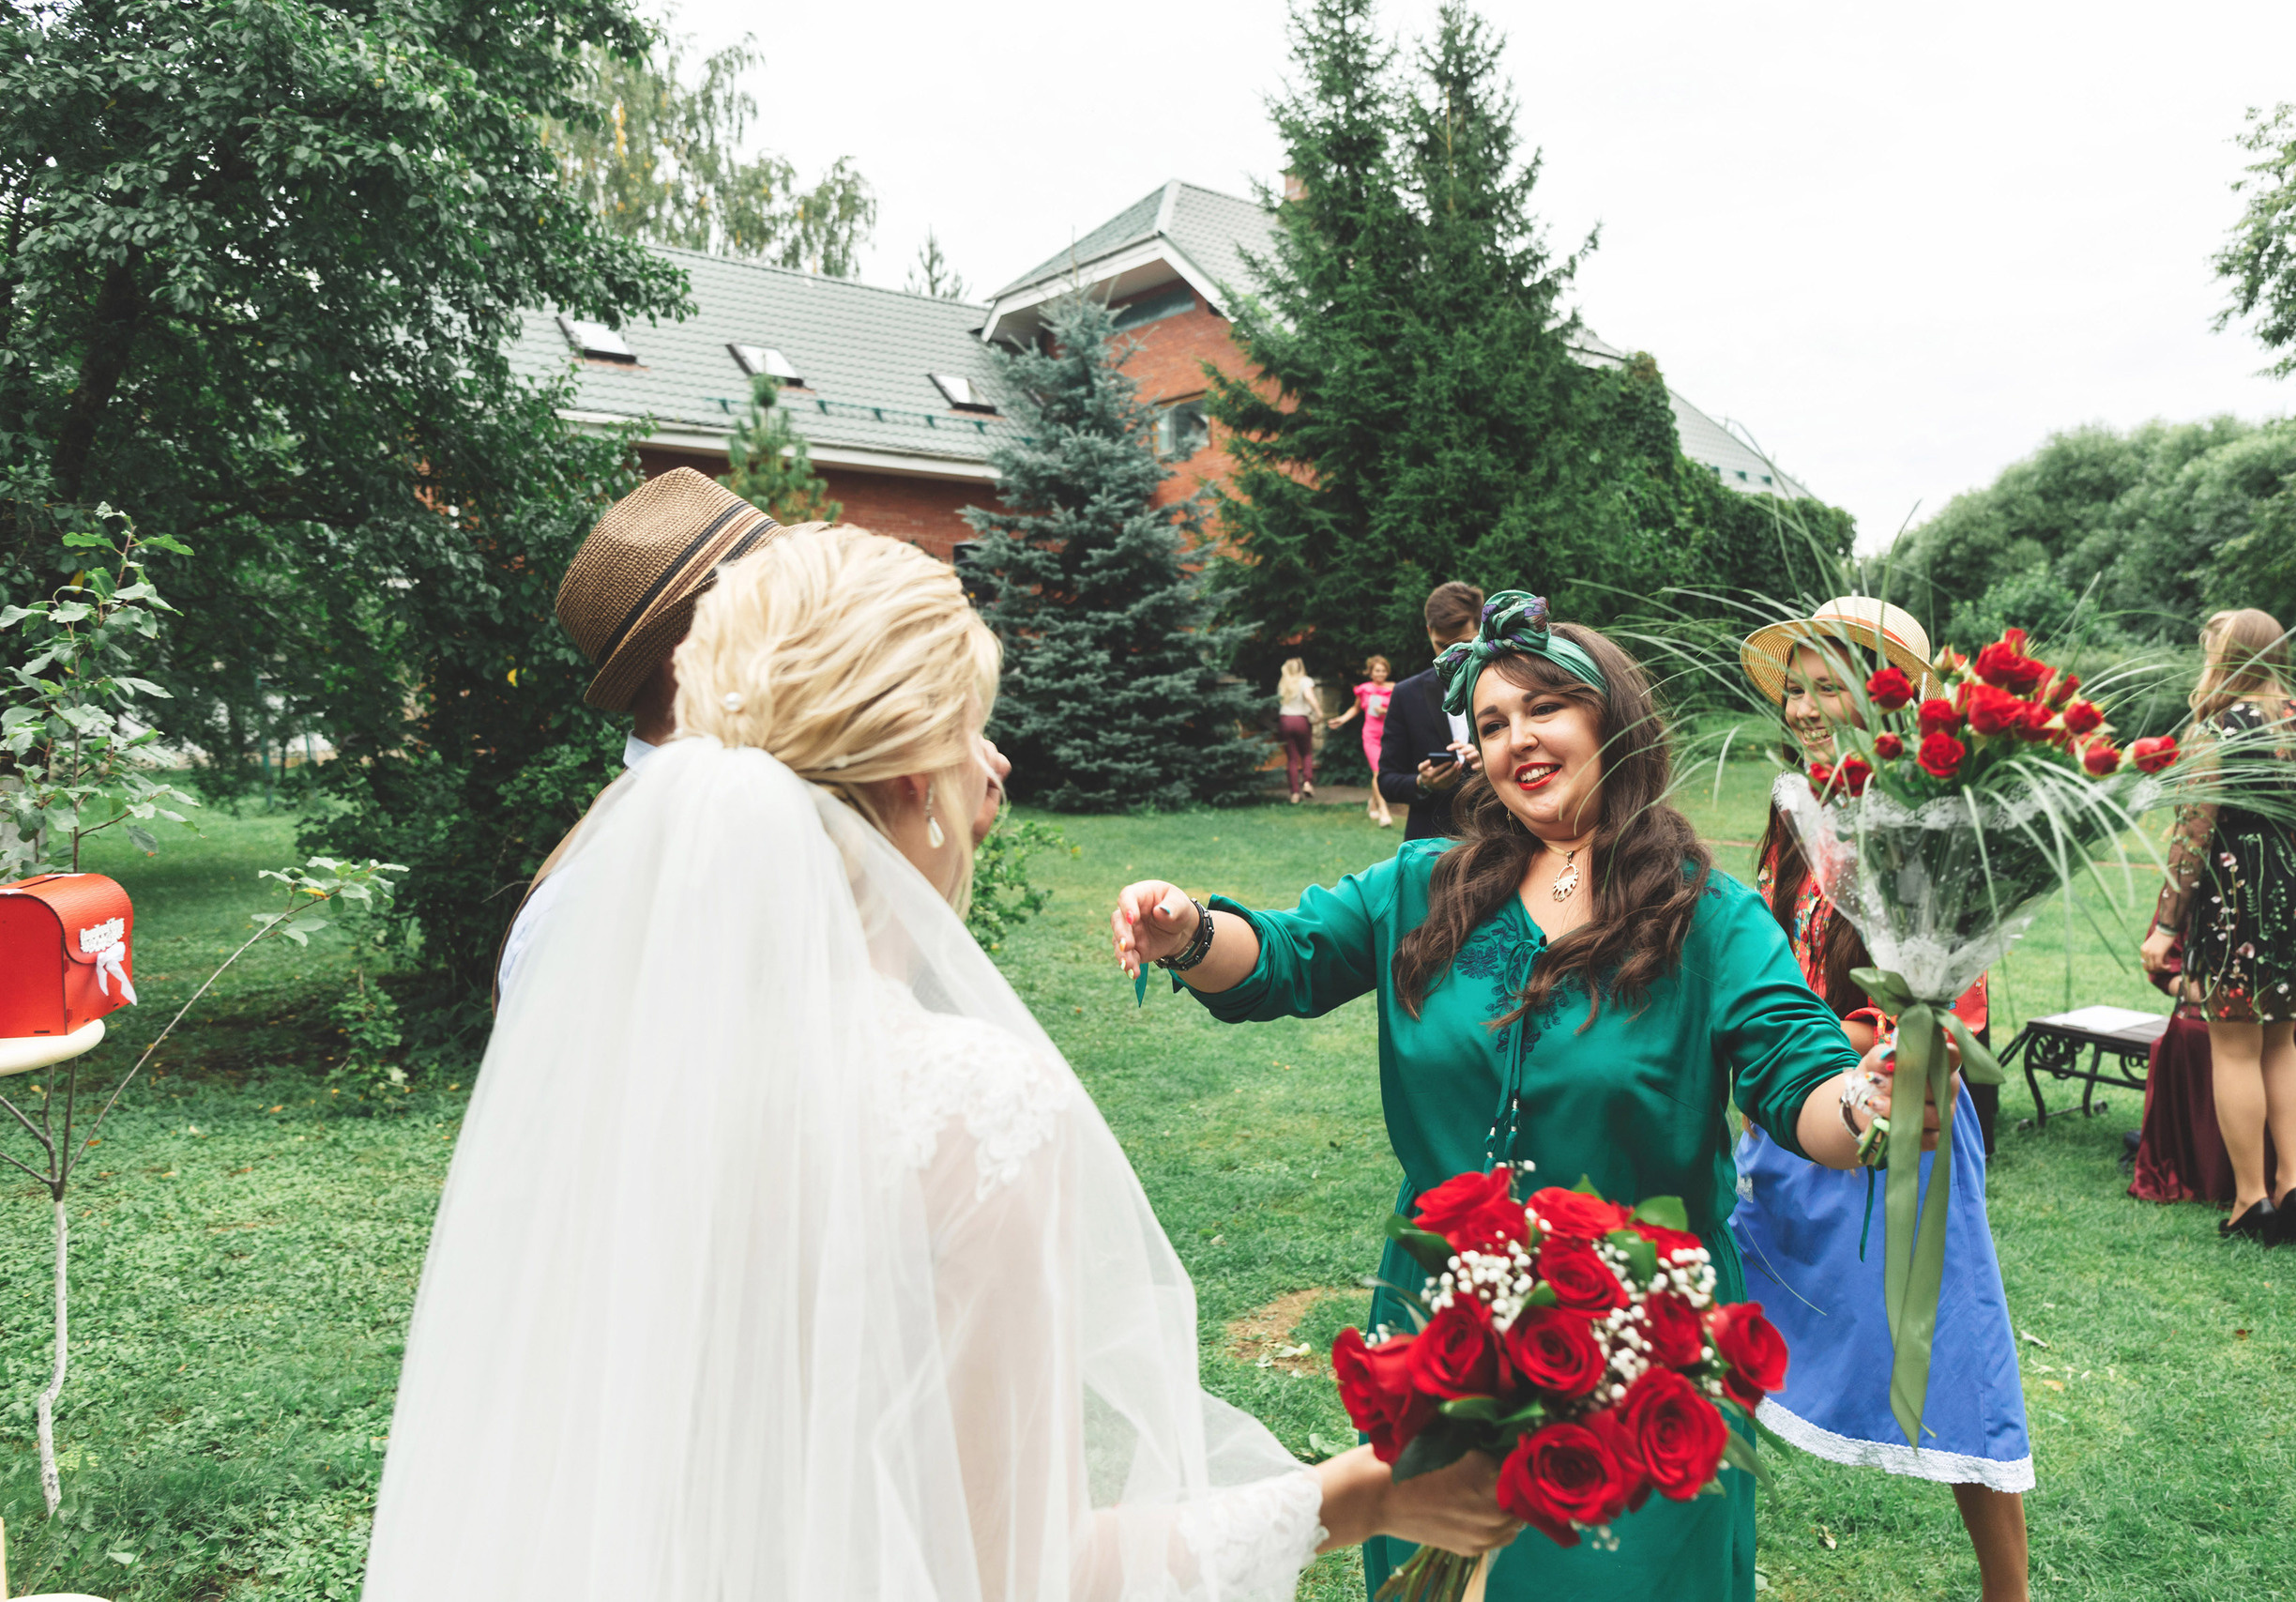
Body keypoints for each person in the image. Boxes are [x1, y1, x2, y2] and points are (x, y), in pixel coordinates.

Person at [366, 525, 1519, 1600]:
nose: (997, 768)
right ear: (915, 783)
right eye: (974, 729)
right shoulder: (962, 1101)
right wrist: (1365, 1494)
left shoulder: (617, 1056)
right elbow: (1021, 1570)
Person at [1112, 591, 1932, 1602]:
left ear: (1611, 720)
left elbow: (1797, 1076)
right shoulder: (1421, 887)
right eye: (1491, 723)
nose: (1517, 741)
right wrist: (1187, 929)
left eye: (1544, 708)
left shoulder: (1706, 916)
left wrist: (1868, 1107)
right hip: (1440, 1325)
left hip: (1641, 1350)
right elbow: (1286, 958)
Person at [1732, 597, 2032, 1602]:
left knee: (1948, 1358)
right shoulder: (1791, 805)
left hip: (1902, 1118)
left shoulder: (1929, 819)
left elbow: (1955, 999)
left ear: (1888, 697)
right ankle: (1696, 1553)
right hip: (1785, 1108)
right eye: (1797, 687)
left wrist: (1874, 1053)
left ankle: (2008, 1593)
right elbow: (1773, 958)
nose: (1809, 707)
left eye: (1832, 686)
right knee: (1722, 1322)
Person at [493, 467, 1007, 1001]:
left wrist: (934, 840)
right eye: (775, 600)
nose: (820, 620)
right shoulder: (587, 899)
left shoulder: (784, 810)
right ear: (692, 648)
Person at [2140, 608, 2296, 1249]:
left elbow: (2193, 835)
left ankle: (2249, 1197)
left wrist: (2165, 925)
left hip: (2241, 902)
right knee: (2280, 1044)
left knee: (2233, 1046)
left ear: (2228, 657)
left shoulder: (2219, 729)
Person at [1376, 582, 1485, 840]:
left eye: (1464, 644)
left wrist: (1492, 766)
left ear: (1481, 630)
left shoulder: (1507, 687)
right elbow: (1387, 781)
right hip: (1428, 846)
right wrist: (1422, 782)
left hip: (1497, 842)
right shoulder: (1406, 694)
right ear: (1428, 632)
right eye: (1442, 646)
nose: (1453, 656)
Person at [1326, 657, 1396, 827]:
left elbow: (1400, 712)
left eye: (1383, 670)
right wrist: (1341, 720)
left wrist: (1385, 710)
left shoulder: (1395, 688)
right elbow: (1356, 708)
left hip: (1390, 735)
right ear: (1370, 673)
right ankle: (1384, 812)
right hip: (1371, 735)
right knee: (1377, 772)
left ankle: (1373, 802)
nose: (1380, 674)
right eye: (1377, 671)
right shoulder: (1364, 689)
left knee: (1383, 770)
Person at [1275, 657, 1322, 803]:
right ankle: (1307, 782)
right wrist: (1319, 713)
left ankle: (1294, 793)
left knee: (1292, 758)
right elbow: (1309, 696)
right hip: (1301, 720)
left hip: (1285, 720)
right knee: (1307, 753)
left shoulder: (1283, 683)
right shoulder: (1305, 681)